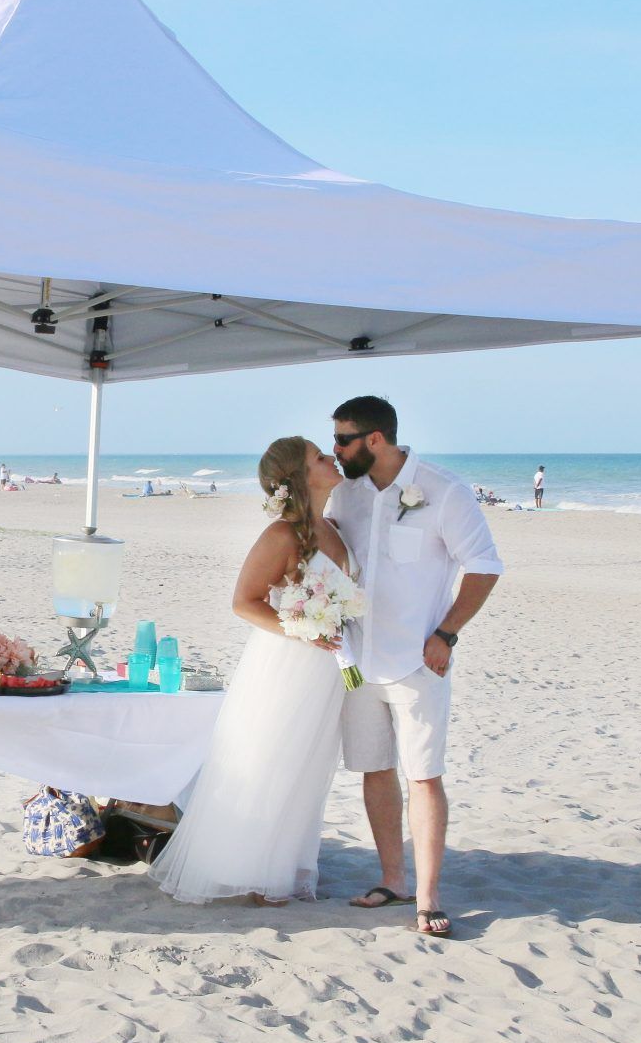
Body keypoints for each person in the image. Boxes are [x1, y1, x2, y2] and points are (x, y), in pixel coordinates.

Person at [329, 396, 503, 938]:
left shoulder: (444, 491)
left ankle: (427, 898)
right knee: (374, 770)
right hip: (357, 663)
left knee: (423, 775)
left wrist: (447, 633)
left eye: (343, 440)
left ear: (374, 440)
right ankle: (393, 880)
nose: (335, 450)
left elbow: (486, 567)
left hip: (417, 661)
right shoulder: (343, 494)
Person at [151, 437, 351, 906]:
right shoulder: (281, 536)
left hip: (328, 671)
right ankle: (250, 873)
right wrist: (300, 629)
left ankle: (281, 868)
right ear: (300, 477)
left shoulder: (336, 528)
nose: (331, 459)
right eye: (320, 458)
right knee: (269, 761)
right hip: (286, 665)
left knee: (306, 768)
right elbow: (244, 602)